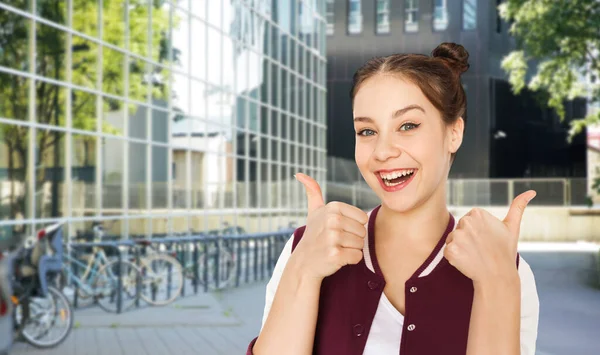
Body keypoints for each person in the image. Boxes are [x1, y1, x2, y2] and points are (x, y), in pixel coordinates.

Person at [247, 42, 539, 355]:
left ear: (454, 132)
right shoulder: (307, 247)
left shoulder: (507, 268)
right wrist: (303, 268)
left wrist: (496, 283)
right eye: (367, 132)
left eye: (408, 126)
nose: (383, 151)